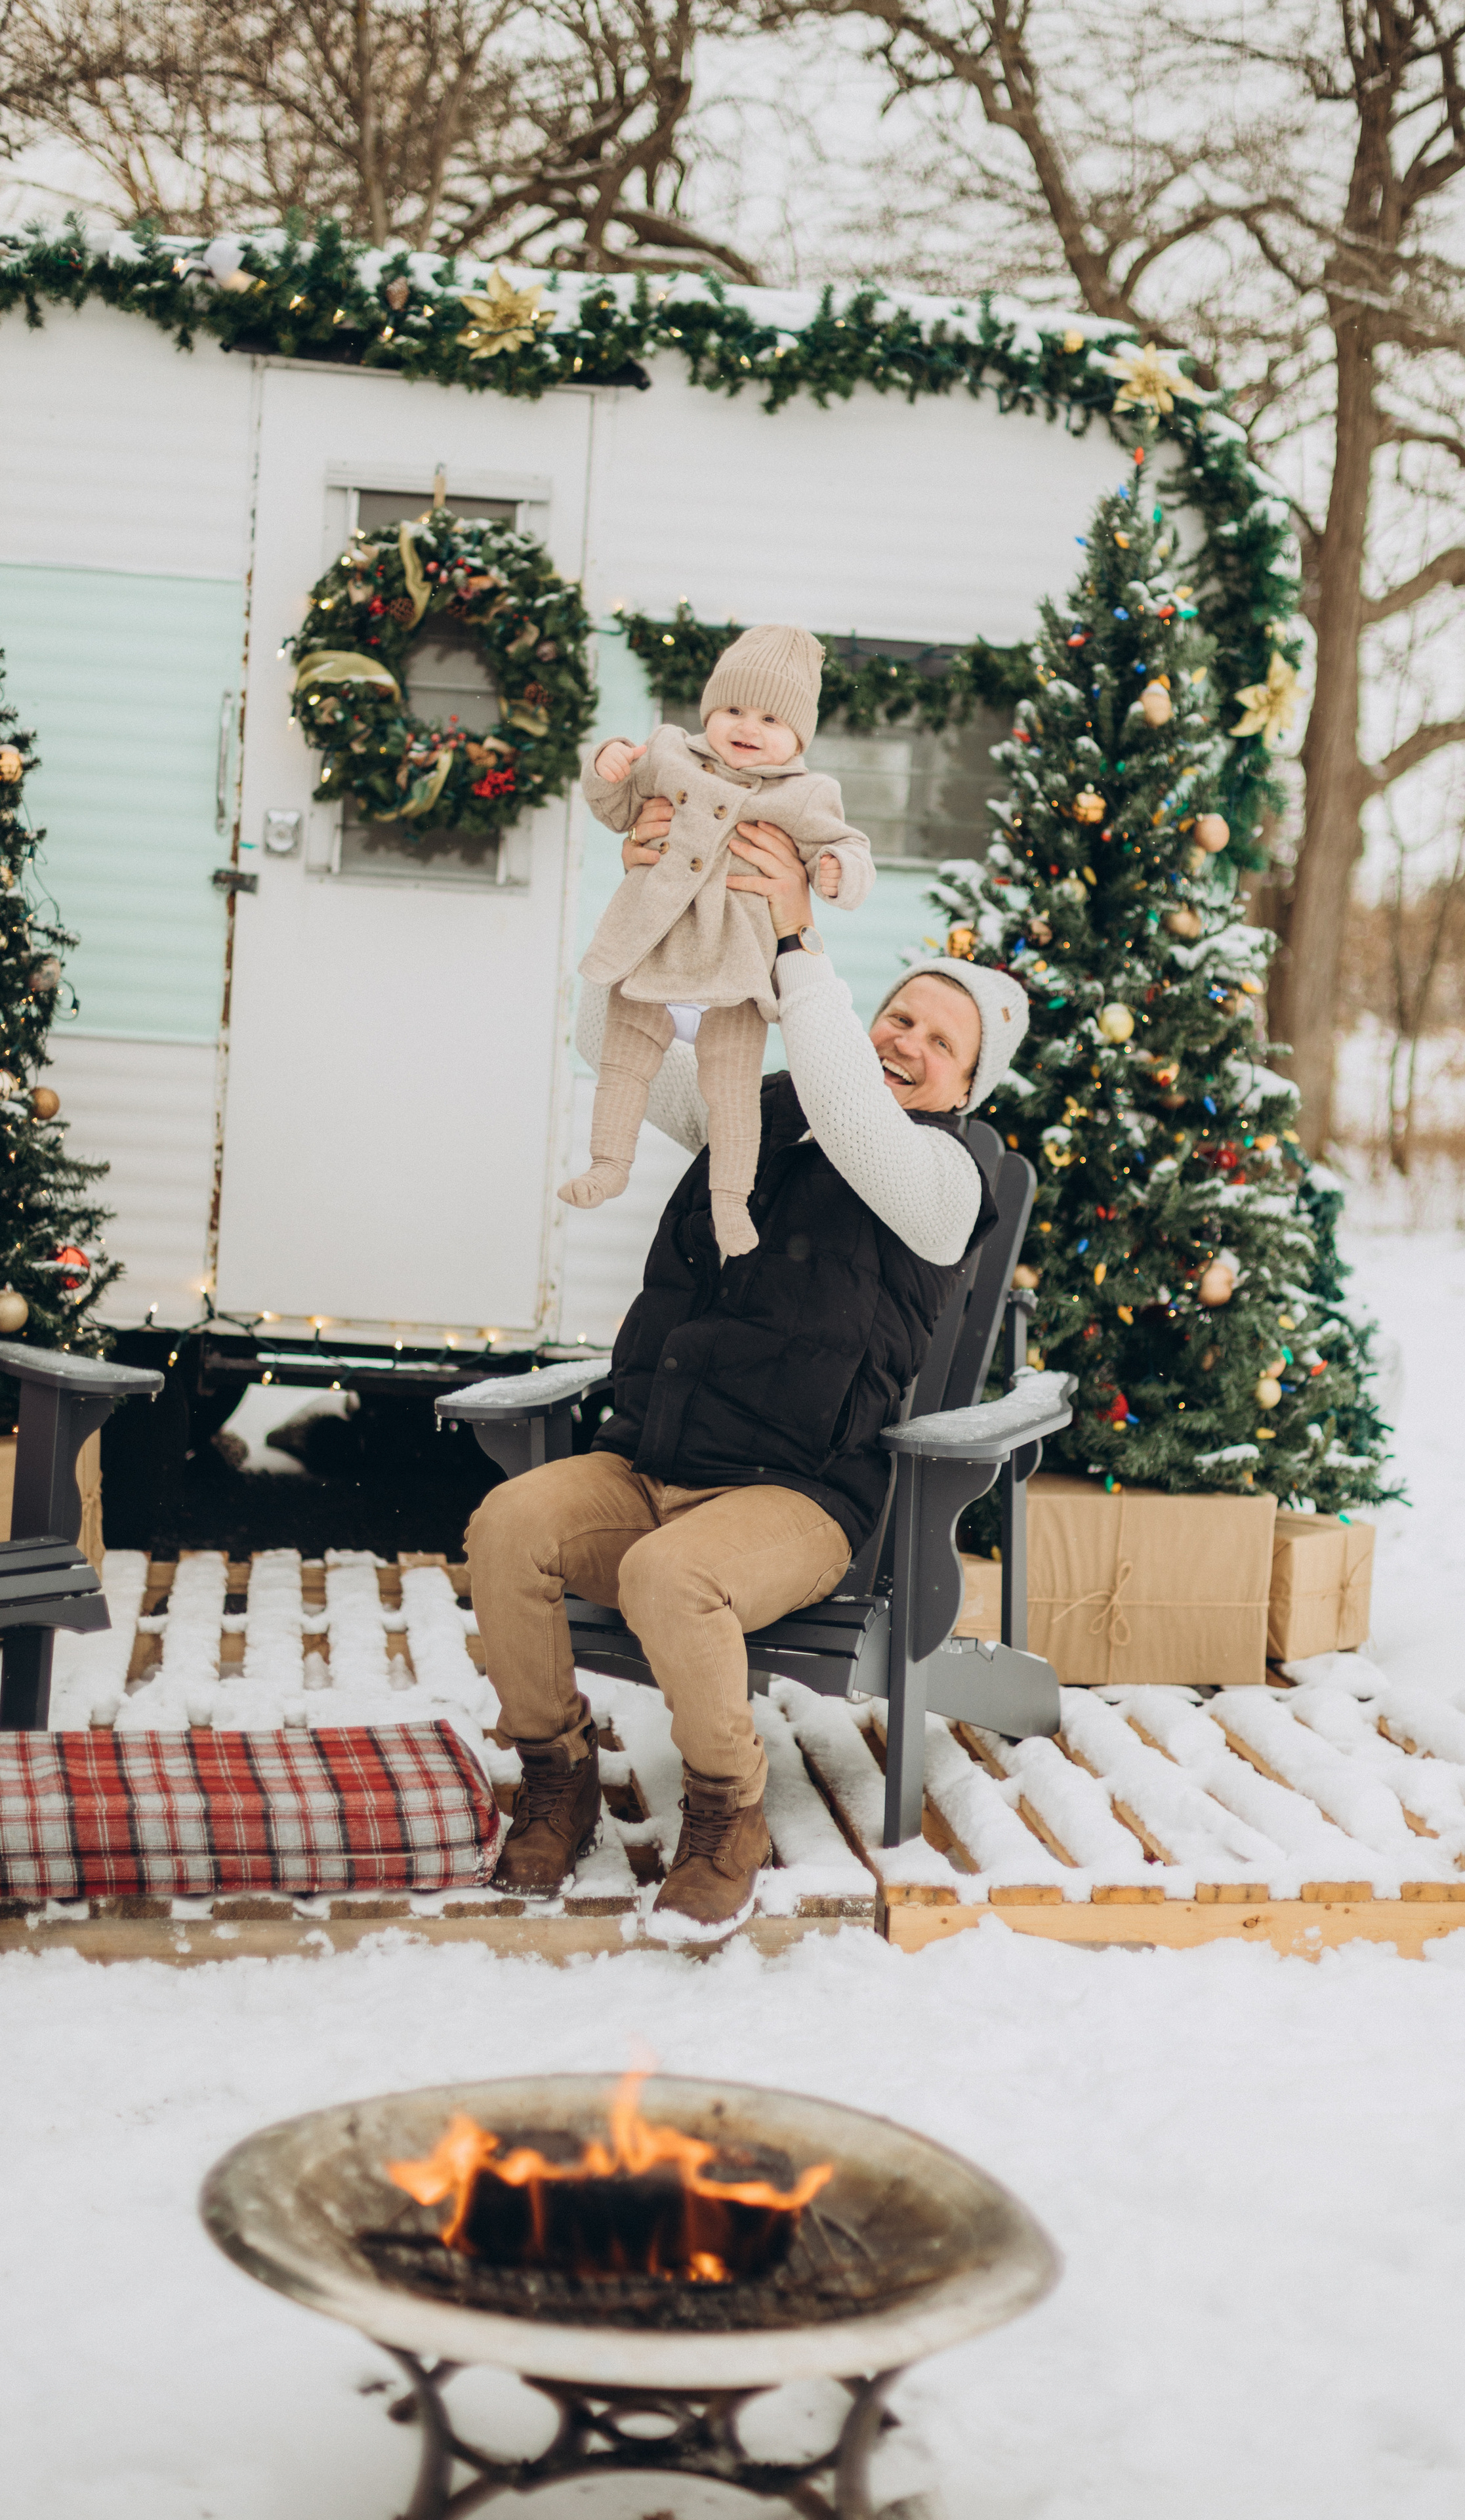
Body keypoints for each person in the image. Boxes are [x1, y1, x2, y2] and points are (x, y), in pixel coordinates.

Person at [467, 798, 1030, 1923]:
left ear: (970, 1086)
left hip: (802, 1498)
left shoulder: (945, 1178)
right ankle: (556, 1775)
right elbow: (613, 1043)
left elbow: (856, 1117)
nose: (906, 1043)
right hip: (656, 1461)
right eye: (899, 1018)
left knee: (669, 1576)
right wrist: (639, 900)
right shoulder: (761, 1115)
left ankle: (728, 1809)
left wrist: (793, 942)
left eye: (939, 1040)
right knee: (510, 1525)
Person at [557, 625, 875, 1258]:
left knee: (731, 1093)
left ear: (799, 736)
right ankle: (608, 1163)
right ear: (708, 710)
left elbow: (846, 846)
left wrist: (840, 870)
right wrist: (608, 764)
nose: (747, 726)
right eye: (733, 708)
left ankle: (731, 1202)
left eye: (770, 718)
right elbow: (616, 806)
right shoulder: (671, 752)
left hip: (735, 970)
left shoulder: (806, 794)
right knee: (622, 1066)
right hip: (655, 947)